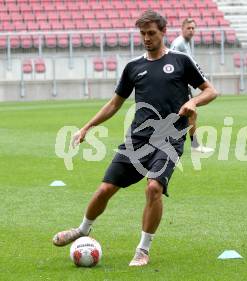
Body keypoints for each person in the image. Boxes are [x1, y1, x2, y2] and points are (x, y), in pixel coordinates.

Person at [52, 10, 218, 267]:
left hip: (170, 139)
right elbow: (114, 104)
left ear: (163, 32)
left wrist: (193, 101)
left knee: (154, 188)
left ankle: (143, 249)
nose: (146, 38)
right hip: (137, 141)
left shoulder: (182, 60)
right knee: (106, 188)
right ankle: (83, 229)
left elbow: (211, 91)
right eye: (143, 34)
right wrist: (86, 127)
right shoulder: (133, 67)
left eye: (151, 33)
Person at [170, 18, 214, 153]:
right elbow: (174, 61)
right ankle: (194, 146)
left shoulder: (185, 43)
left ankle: (193, 144)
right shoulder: (179, 44)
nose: (191, 30)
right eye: (188, 28)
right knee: (189, 112)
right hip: (179, 84)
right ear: (182, 28)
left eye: (193, 28)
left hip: (182, 84)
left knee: (190, 113)